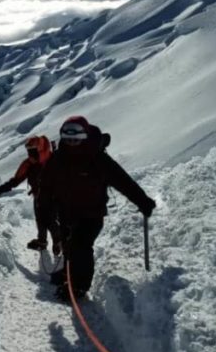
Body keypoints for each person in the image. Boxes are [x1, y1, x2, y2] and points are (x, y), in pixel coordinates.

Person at [38, 115, 155, 301]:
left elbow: (122, 181)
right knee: (69, 246)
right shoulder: (58, 159)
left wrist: (142, 201)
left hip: (91, 214)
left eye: (75, 138)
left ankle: (78, 287)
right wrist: (44, 208)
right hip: (66, 213)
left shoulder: (97, 158)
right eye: (67, 138)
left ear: (84, 135)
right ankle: (68, 273)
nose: (71, 142)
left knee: (81, 246)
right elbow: (46, 186)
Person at [0, 135, 53, 250]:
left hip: (52, 195)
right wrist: (4, 187)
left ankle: (52, 242)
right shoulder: (36, 162)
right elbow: (17, 179)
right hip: (41, 196)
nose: (30, 155)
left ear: (39, 149)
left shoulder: (48, 160)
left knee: (48, 219)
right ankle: (46, 242)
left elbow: (17, 179)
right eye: (29, 151)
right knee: (43, 219)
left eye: (32, 151)